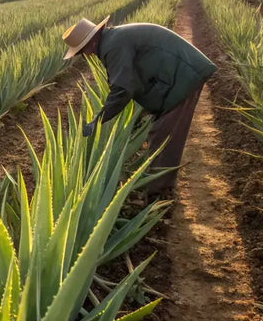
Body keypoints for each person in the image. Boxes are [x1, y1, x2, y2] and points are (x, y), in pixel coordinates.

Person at [62, 16, 216, 196]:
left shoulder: (113, 45)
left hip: (183, 77)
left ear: (91, 42)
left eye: (82, 51)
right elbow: (132, 80)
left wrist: (100, 119)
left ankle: (159, 196)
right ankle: (159, 188)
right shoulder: (114, 39)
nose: (85, 55)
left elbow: (123, 88)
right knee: (160, 130)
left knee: (163, 136)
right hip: (174, 76)